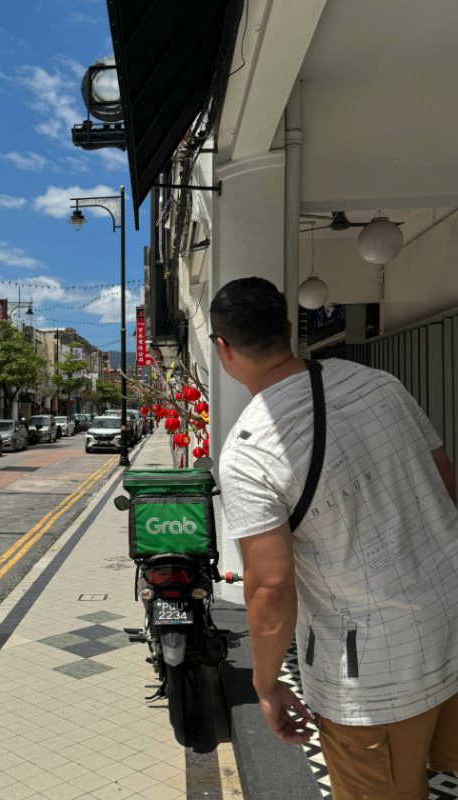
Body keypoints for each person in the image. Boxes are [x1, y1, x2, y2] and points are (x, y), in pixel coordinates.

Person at [210, 276, 458, 799]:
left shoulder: (249, 451)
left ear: (223, 350)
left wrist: (267, 682)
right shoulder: (379, 383)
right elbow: (445, 485)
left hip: (376, 678)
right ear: (286, 329)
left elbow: (270, 587)